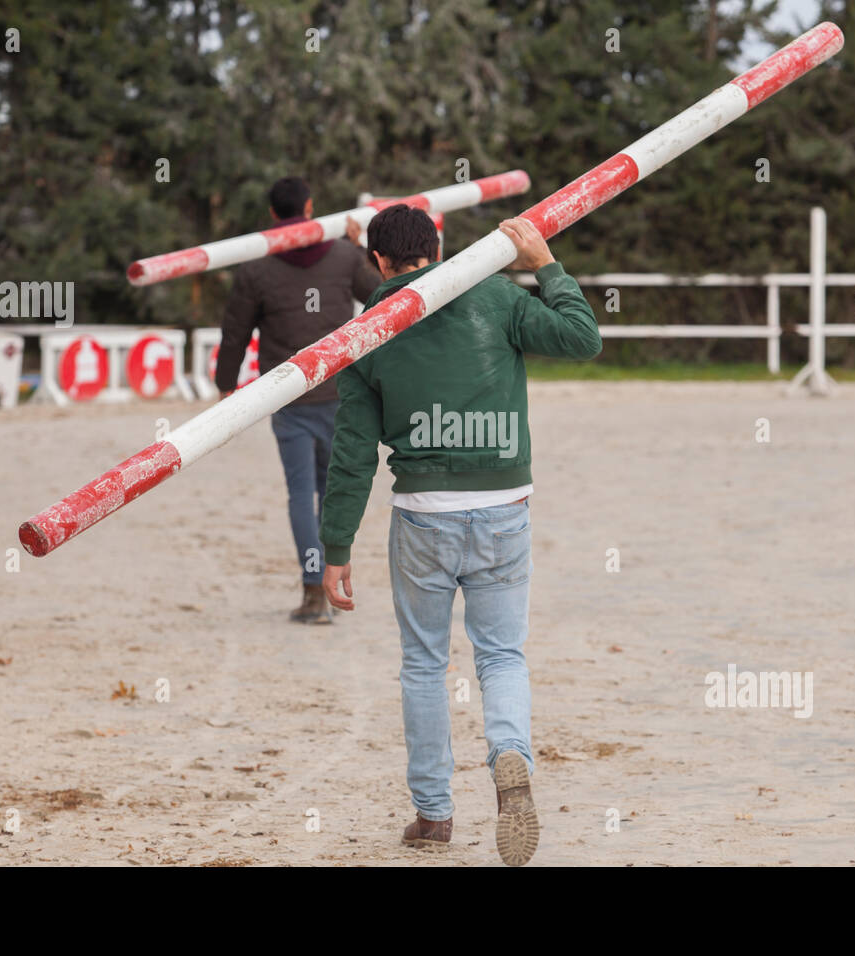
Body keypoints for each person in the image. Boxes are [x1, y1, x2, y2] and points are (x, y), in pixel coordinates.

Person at [318, 204, 601, 866]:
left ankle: (434, 816)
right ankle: (509, 754)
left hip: (423, 512)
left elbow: (353, 453)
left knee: (423, 663)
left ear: (379, 263)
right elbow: (583, 338)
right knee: (501, 655)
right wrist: (547, 266)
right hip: (504, 504)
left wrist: (334, 548)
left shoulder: (368, 331)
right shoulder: (496, 297)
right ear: (438, 246)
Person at [217, 177, 382, 624]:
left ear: (273, 214)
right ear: (310, 207)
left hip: (287, 396)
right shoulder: (346, 256)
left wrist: (225, 385)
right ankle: (332, 583)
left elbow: (235, 331)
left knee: (299, 495)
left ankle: (313, 591)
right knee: (333, 493)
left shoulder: (255, 268)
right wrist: (362, 248)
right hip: (340, 391)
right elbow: (383, 296)